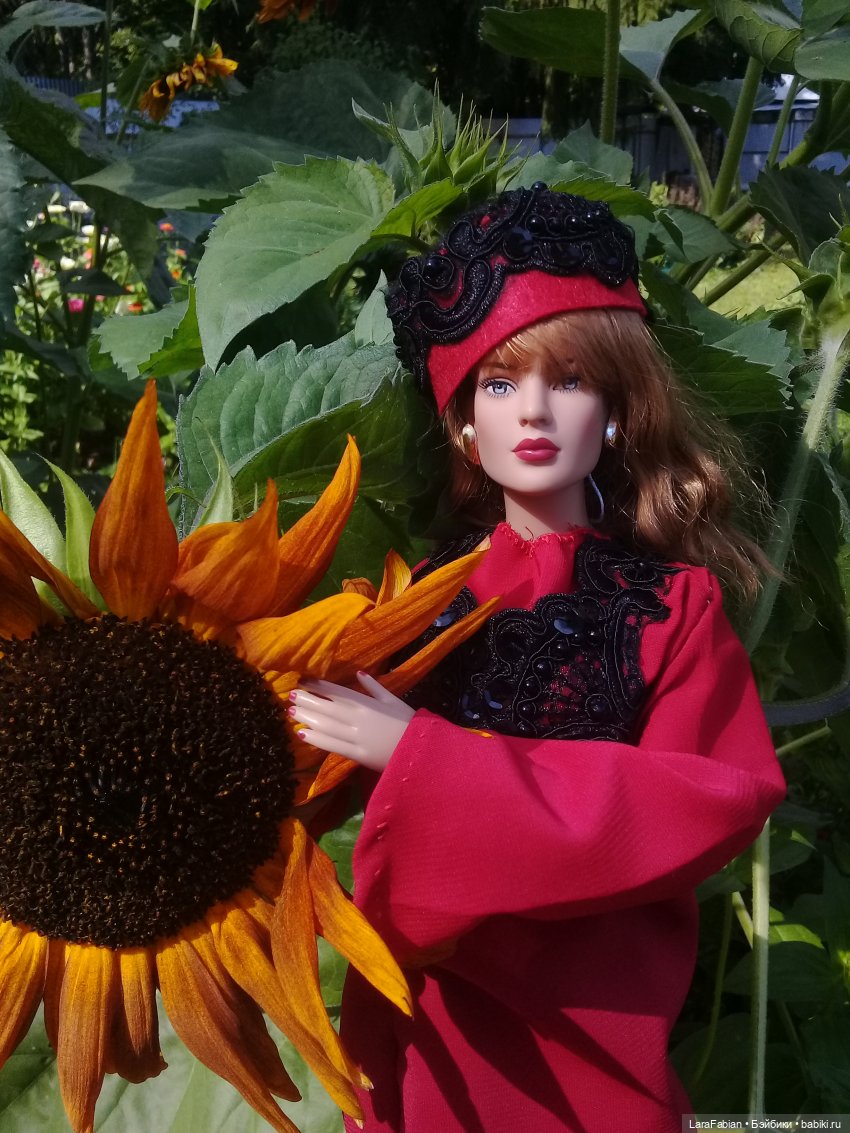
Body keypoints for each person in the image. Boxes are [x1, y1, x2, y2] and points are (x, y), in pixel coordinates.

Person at [289, 184, 786, 1133]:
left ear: (616, 412)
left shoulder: (669, 606)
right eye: (499, 383)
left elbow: (712, 795)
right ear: (463, 424)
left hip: (589, 1027)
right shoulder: (417, 601)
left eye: (571, 380)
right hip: (432, 1029)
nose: (533, 412)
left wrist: (424, 759)